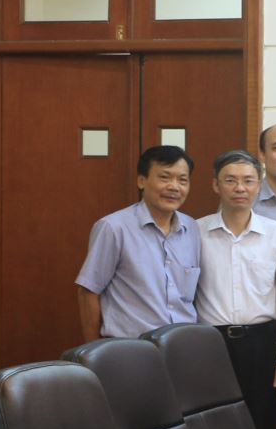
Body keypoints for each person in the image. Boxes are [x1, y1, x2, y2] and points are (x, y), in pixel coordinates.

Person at [194, 150, 276, 429]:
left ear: (258, 185)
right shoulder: (194, 232)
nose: (240, 188)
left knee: (259, 428)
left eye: (248, 181)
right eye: (230, 180)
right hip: (209, 344)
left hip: (260, 344)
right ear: (215, 184)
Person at [76, 144, 201, 341]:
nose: (174, 186)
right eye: (165, 177)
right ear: (141, 181)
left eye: (182, 180)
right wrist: (94, 350)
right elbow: (89, 291)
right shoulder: (114, 228)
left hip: (183, 345)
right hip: (131, 347)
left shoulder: (192, 228)